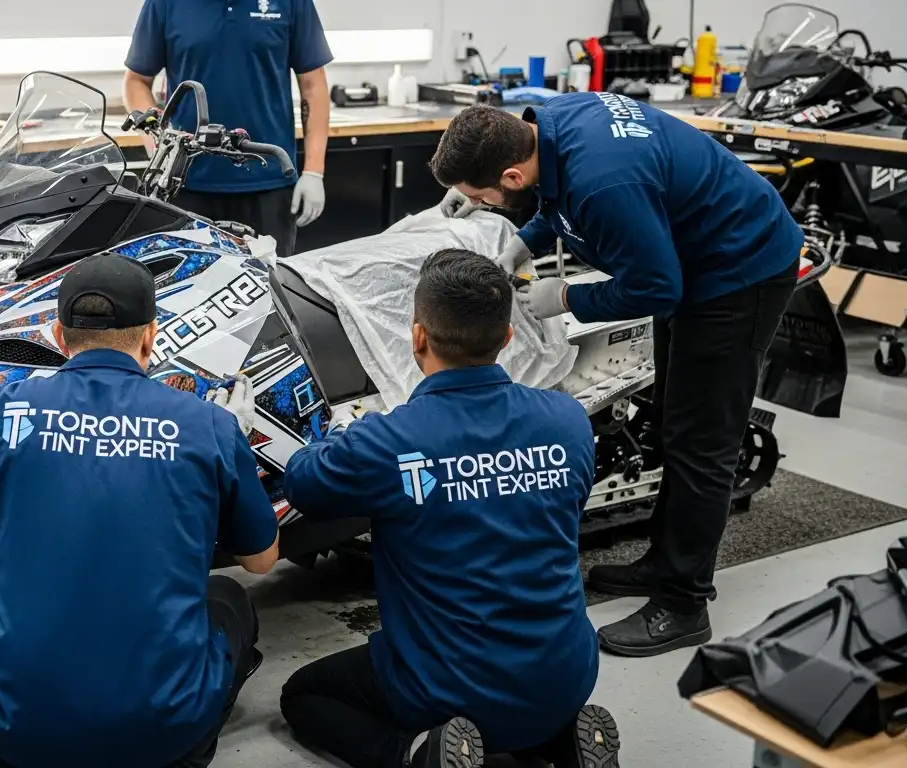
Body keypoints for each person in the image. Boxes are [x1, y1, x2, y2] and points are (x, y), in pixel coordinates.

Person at [0, 252, 280, 767]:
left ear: (60, 338)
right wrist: (232, 447)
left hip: (19, 727)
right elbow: (262, 560)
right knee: (229, 599)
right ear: (150, 336)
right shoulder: (208, 426)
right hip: (165, 731)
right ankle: (181, 746)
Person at [429, 97, 800, 657]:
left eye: (482, 195)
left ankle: (683, 603)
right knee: (674, 422)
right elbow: (560, 199)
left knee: (703, 444)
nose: (479, 203)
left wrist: (568, 296)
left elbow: (656, 288)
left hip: (737, 273)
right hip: (693, 257)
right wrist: (526, 239)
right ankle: (663, 562)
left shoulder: (605, 182)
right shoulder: (547, 128)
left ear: (510, 173)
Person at [278, 250, 612, 768]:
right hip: (567, 675)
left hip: (445, 687)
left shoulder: (392, 440)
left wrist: (349, 436)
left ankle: (418, 755)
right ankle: (562, 743)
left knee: (304, 695)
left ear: (417, 336)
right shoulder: (567, 422)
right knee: (525, 704)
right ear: (506, 338)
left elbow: (303, 482)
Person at [122, 0, 334, 259]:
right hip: (186, 185)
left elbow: (313, 86)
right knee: (189, 291)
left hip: (269, 185)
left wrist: (314, 171)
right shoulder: (165, 4)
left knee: (271, 290)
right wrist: (159, 144)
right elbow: (136, 81)